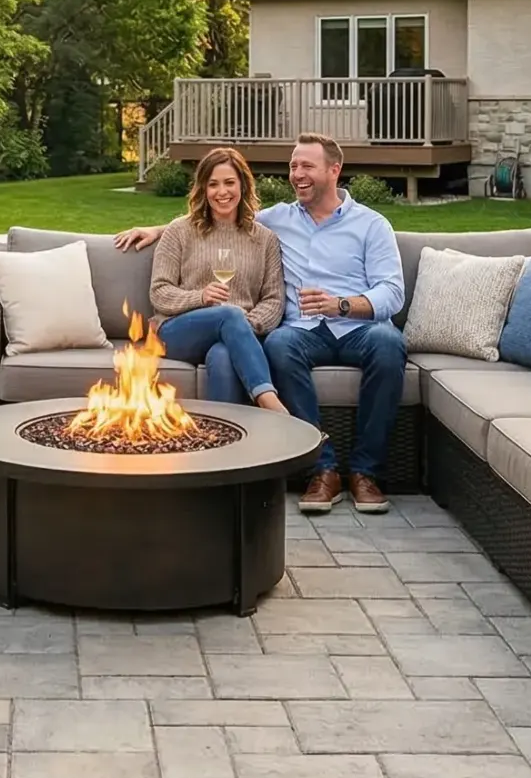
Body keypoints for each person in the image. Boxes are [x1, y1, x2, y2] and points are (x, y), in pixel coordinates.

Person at [117, 133, 404, 515]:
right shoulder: (271, 219)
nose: (297, 174)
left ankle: (357, 474)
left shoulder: (359, 226)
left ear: (334, 170)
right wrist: (159, 233)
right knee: (278, 345)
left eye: (306, 166)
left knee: (387, 344)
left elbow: (390, 291)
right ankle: (320, 466)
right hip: (273, 330)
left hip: (356, 326)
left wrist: (343, 305)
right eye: (293, 166)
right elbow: (197, 231)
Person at [145, 147, 289, 414]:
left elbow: (273, 300)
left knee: (223, 356)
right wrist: (200, 297)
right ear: (203, 189)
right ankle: (271, 403)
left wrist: (243, 325)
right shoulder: (179, 231)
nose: (222, 192)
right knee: (228, 315)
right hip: (177, 332)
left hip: (238, 332)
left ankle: (224, 445)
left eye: (229, 182)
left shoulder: (265, 239)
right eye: (213, 184)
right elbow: (159, 292)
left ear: (243, 185)